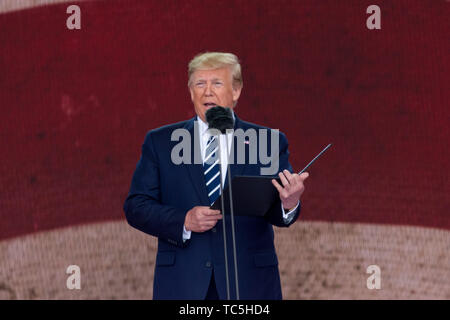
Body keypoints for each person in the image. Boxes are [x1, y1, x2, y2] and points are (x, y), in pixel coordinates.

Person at [123, 52, 309, 300]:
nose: (207, 91)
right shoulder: (160, 143)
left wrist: (289, 203)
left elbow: (277, 211)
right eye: (200, 84)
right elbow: (136, 206)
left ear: (236, 91)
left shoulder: (268, 142)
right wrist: (184, 220)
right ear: (191, 92)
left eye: (217, 83)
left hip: (249, 287)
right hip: (183, 285)